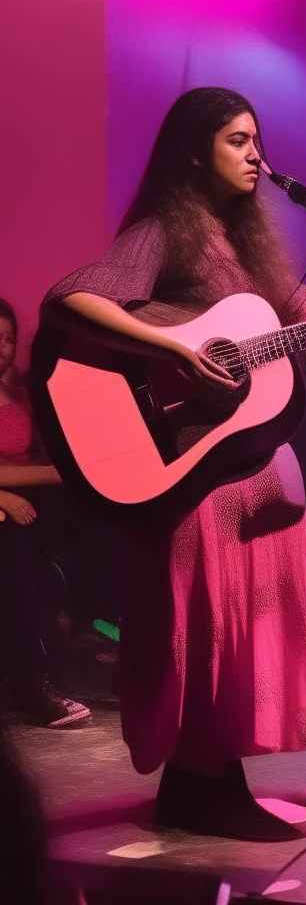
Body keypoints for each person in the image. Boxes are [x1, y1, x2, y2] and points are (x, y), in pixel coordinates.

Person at [38, 87, 306, 841]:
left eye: (257, 141)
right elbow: (69, 300)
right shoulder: (164, 233)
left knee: (243, 633)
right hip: (189, 473)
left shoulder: (256, 250)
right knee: (204, 631)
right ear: (192, 149)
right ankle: (199, 788)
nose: (257, 157)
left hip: (251, 474)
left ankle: (215, 782)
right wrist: (173, 349)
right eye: (238, 141)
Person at [0, 297, 92, 728]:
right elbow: (45, 473)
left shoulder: (22, 395)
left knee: (100, 504)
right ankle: (31, 683)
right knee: (7, 533)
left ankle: (111, 631)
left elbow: (44, 457)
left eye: (7, 338)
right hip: (5, 508)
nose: (1, 345)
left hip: (32, 501)